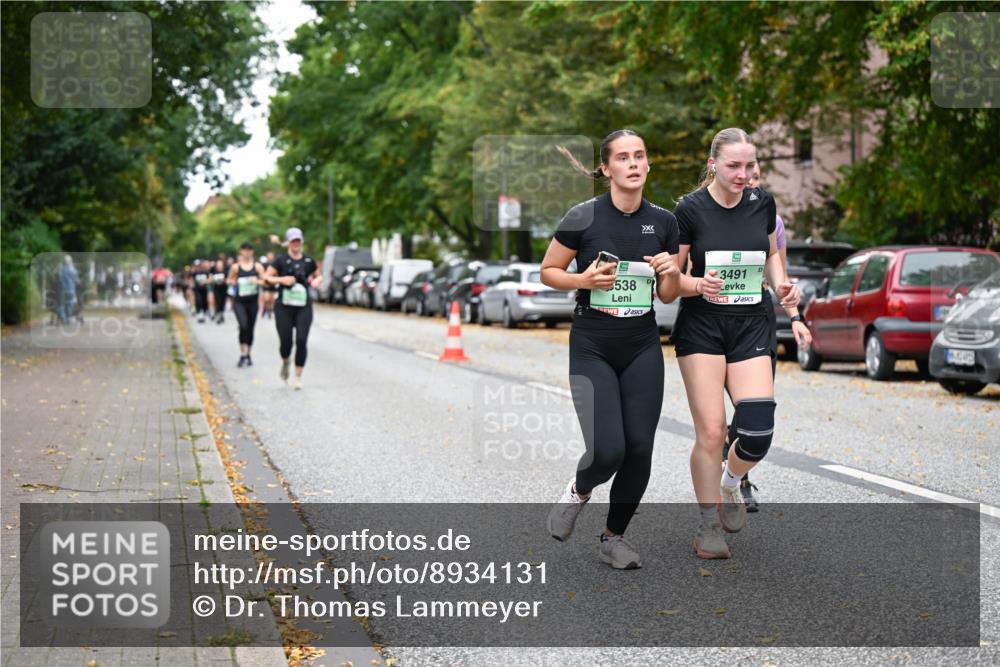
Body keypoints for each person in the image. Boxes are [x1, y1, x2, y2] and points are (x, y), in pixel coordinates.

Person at [540, 130, 681, 570]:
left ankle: (613, 537)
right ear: (606, 168)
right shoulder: (583, 216)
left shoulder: (664, 222)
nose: (633, 164)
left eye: (640, 156)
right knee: (607, 451)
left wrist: (671, 271)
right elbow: (548, 270)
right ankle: (578, 491)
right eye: (623, 157)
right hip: (592, 344)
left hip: (641, 343)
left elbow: (670, 294)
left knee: (639, 448)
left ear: (648, 164)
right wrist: (581, 280)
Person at [671, 127, 810, 559]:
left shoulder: (762, 203)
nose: (743, 174)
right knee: (713, 432)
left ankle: (730, 482)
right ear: (713, 164)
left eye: (749, 166)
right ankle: (707, 527)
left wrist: (785, 290)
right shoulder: (689, 209)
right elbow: (669, 286)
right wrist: (697, 283)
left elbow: (771, 256)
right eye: (733, 165)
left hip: (751, 322)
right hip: (703, 326)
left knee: (757, 430)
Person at [720, 162, 790, 512]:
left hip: (757, 314)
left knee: (751, 408)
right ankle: (724, 468)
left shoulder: (771, 220)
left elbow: (780, 274)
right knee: (716, 416)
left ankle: (738, 475)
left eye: (757, 176)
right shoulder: (708, 212)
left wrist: (796, 315)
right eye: (743, 172)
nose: (749, 180)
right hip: (713, 316)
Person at [264, 228, 322, 390]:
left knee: (302, 340)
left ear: (301, 242)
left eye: (298, 241)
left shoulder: (309, 261)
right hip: (284, 307)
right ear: (288, 243)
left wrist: (317, 280)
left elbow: (318, 275)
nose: (296, 244)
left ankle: (297, 377)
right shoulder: (280, 260)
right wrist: (282, 279)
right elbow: (267, 277)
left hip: (303, 306)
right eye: (293, 241)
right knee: (286, 342)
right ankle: (285, 361)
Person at [228, 243, 266, 367]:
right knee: (243, 326)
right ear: (241, 251)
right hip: (239, 302)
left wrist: (257, 281)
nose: (247, 252)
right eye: (245, 250)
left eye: (249, 250)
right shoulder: (236, 267)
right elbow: (228, 280)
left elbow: (266, 281)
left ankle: (248, 354)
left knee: (250, 328)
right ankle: (242, 353)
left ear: (252, 251)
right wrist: (234, 282)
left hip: (253, 302)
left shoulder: (258, 267)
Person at [58, 255, 79, 325]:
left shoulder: (61, 269)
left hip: (62, 289)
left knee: (61, 303)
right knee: (70, 304)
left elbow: (60, 279)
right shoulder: (73, 270)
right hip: (71, 289)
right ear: (70, 261)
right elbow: (76, 280)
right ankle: (68, 318)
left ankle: (62, 315)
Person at [211, 258, 228, 324]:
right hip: (216, 289)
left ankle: (221, 313)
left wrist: (224, 280)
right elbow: (210, 279)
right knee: (218, 301)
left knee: (223, 302)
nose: (219, 265)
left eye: (220, 264)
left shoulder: (225, 271)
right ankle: (218, 314)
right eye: (218, 264)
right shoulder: (214, 271)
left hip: (224, 289)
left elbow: (228, 280)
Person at [259, 252, 277, 319]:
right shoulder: (264, 265)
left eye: (271, 256)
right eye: (269, 256)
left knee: (271, 299)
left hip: (273, 283)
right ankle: (265, 308)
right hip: (266, 283)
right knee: (266, 298)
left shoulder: (276, 264)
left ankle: (269, 310)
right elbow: (261, 273)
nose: (270, 258)